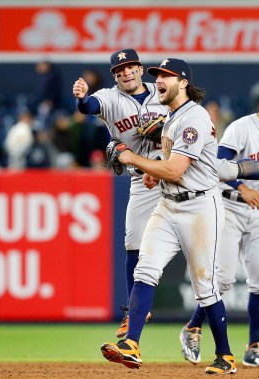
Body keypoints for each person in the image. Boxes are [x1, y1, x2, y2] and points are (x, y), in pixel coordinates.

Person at [100, 57, 237, 374]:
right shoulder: (172, 117)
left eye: (167, 76)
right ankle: (131, 344)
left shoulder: (193, 118)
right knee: (144, 270)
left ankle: (226, 355)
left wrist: (132, 157)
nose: (159, 80)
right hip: (167, 204)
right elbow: (166, 165)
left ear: (183, 83)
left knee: (205, 287)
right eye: (157, 75)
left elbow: (175, 169)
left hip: (200, 207)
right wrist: (152, 173)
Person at [180, 83, 259, 367]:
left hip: (257, 212)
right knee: (223, 279)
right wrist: (241, 188)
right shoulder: (241, 127)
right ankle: (192, 327)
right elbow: (218, 165)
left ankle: (253, 348)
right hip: (228, 206)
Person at [72, 48, 166, 339]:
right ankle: (134, 312)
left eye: (130, 67)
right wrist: (81, 98)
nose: (125, 72)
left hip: (176, 173)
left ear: (140, 68)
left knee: (200, 254)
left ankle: (197, 325)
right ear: (114, 76)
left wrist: (163, 134)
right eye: (119, 70)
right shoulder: (110, 98)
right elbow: (89, 107)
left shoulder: (162, 91)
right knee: (133, 245)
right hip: (141, 180)